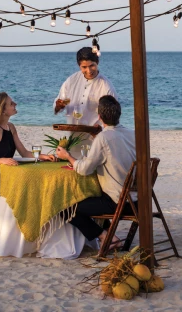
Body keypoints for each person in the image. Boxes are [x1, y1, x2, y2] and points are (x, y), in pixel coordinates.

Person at [0, 92, 56, 248]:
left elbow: (24, 153)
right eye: (11, 103)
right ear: (2, 110)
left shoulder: (10, 127)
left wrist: (41, 156)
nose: (15, 105)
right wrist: (1, 160)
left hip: (6, 175)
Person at [56, 95, 136, 247]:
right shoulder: (132, 134)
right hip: (138, 201)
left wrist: (68, 156)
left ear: (99, 117)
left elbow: (84, 169)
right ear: (119, 115)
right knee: (95, 194)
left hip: (118, 201)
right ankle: (107, 234)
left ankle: (104, 235)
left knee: (64, 206)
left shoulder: (103, 137)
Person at [54, 47, 118, 157]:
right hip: (73, 139)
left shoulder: (106, 86)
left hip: (95, 140)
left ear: (97, 63)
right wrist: (59, 106)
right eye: (84, 67)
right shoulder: (71, 81)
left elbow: (112, 119)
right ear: (79, 65)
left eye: (92, 65)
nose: (89, 71)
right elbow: (58, 106)